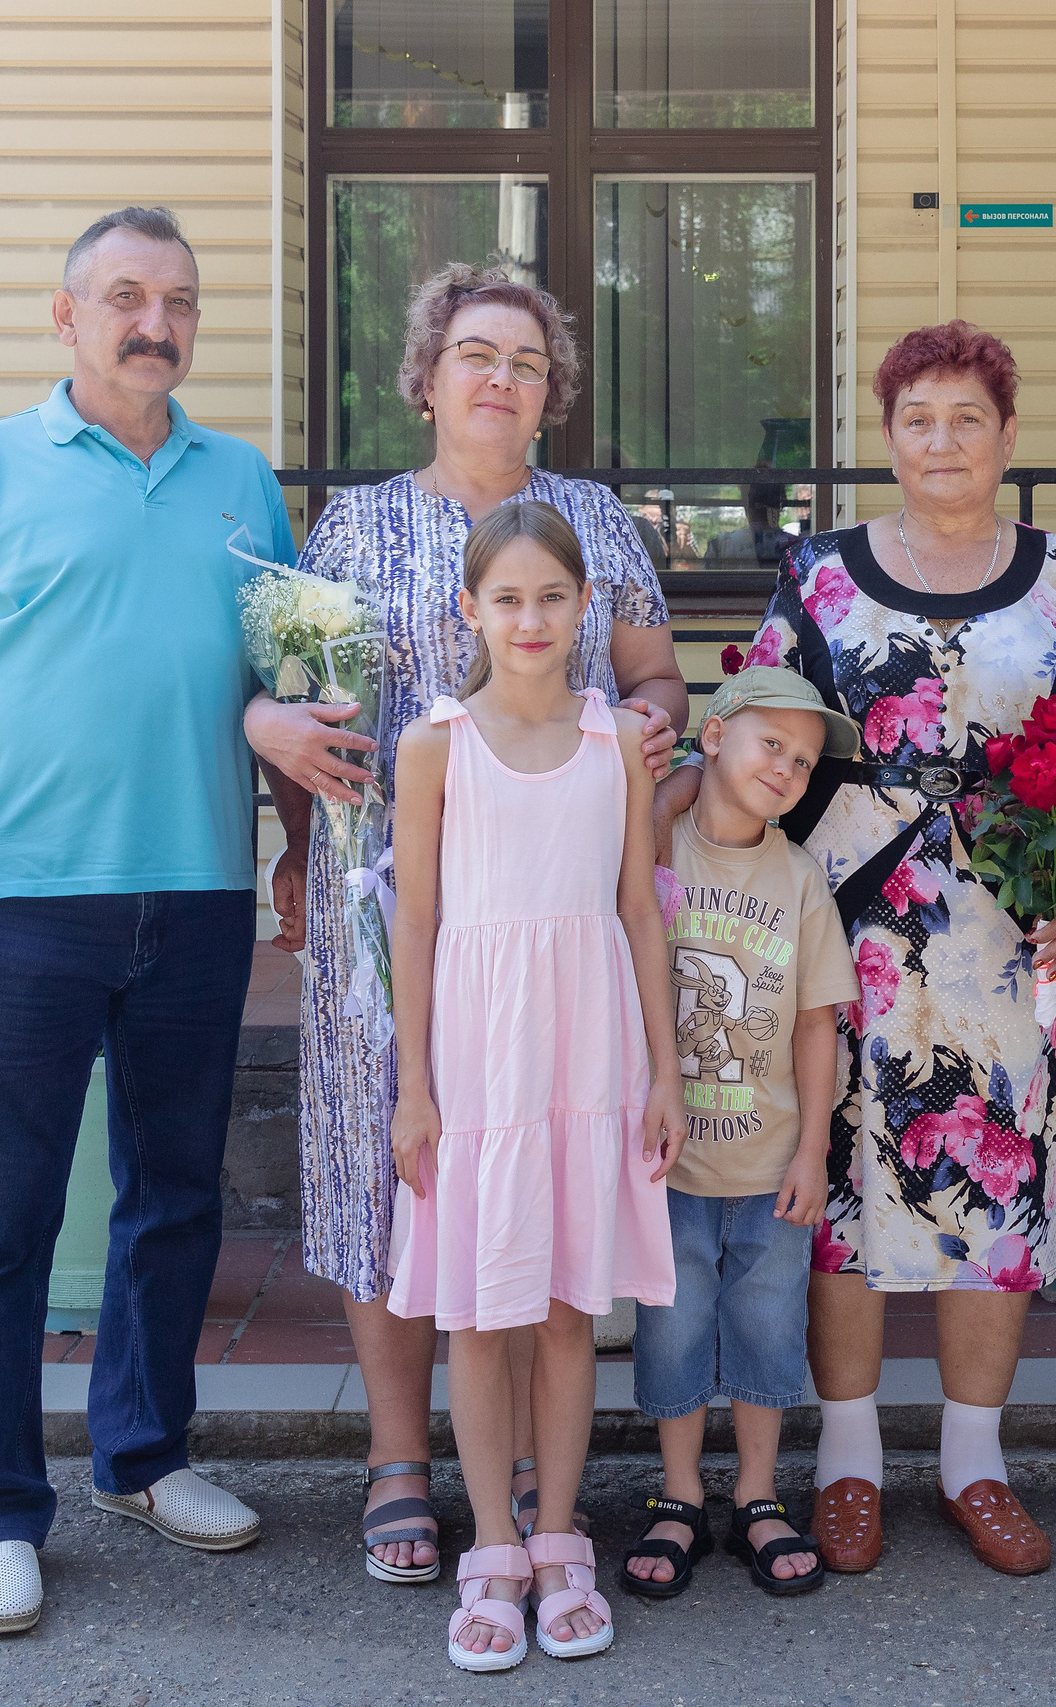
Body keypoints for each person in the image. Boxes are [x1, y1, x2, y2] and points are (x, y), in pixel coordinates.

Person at [663, 321, 1056, 1577]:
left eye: (967, 419)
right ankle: (846, 1466)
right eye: (918, 420)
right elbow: (760, 727)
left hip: (1010, 936)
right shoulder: (820, 577)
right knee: (841, 1195)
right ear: (888, 439)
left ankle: (975, 1467)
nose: (942, 443)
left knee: (993, 1190)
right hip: (843, 932)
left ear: (1004, 435)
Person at [242, 261, 688, 1581]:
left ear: (552, 393)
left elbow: (653, 669)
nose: (501, 378)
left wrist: (652, 722)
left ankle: (539, 1478)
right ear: (428, 375)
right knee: (398, 1161)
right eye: (476, 353)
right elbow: (292, 705)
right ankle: (398, 1455)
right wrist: (299, 829)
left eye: (529, 361)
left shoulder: (596, 522)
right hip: (390, 902)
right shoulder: (348, 532)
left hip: (552, 903)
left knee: (537, 1154)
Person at [0, 207, 283, 1635]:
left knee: (175, 1194)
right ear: (68, 316)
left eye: (178, 297)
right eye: (125, 295)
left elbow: (281, 678)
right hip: (29, 898)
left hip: (198, 891)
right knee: (2, 1212)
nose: (154, 321)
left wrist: (292, 845)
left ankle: (143, 1451)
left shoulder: (241, 479)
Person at [382, 501, 687, 1671]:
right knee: (482, 1307)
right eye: (506, 598)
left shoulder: (613, 739)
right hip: (480, 1056)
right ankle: (494, 1550)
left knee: (566, 1307)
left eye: (551, 598)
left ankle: (563, 1534)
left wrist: (661, 1070)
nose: (529, 619)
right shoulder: (434, 743)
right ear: (471, 609)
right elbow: (415, 924)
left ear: (584, 609)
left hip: (588, 1045)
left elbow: (634, 913)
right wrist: (414, 1087)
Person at [620, 668, 863, 1601]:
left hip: (770, 1160)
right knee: (672, 1331)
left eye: (804, 762)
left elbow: (815, 1024)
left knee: (767, 1330)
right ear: (714, 736)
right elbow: (629, 813)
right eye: (773, 744)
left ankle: (757, 1493)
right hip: (671, 1159)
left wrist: (812, 1151)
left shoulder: (798, 877)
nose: (790, 769)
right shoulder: (655, 846)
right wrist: (676, 771)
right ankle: (679, 1493)